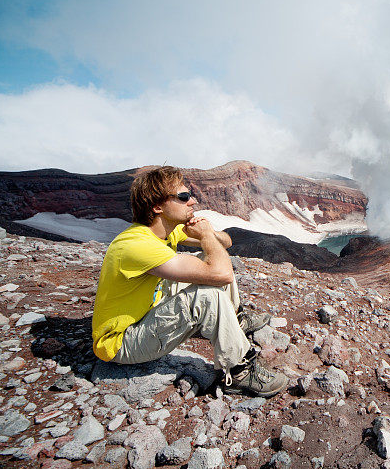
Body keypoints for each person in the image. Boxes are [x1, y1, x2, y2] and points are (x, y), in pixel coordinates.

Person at [91, 166, 287, 397]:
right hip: (122, 344)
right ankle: (238, 373)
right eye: (183, 197)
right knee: (208, 292)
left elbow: (226, 242)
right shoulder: (136, 245)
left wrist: (208, 233)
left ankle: (235, 320)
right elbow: (222, 273)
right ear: (157, 207)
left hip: (147, 312)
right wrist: (205, 236)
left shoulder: (165, 232)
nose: (192, 201)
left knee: (206, 256)